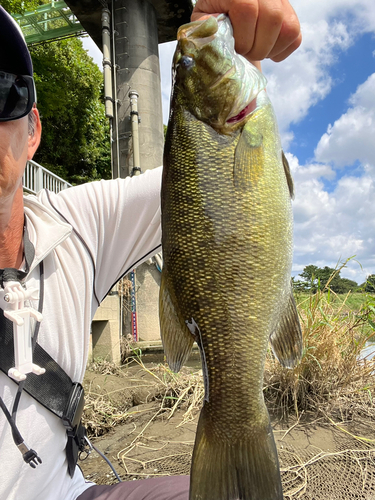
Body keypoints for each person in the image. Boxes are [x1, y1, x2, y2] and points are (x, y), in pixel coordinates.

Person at [0, 1, 301, 499]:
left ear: (32, 130)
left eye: (1, 94)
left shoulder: (76, 225)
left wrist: (242, 39)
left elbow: (207, 191)